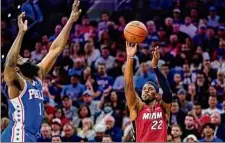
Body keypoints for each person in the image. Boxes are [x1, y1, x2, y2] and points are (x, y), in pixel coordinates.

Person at [1, 0, 82, 142]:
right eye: (21, 58)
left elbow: (55, 49)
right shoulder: (16, 83)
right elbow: (10, 63)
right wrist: (20, 33)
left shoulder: (37, 74)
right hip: (17, 136)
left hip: (31, 136)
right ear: (18, 68)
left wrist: (70, 21)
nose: (26, 58)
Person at [124, 42, 172, 142]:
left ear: (157, 94)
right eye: (144, 89)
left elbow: (167, 91)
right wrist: (129, 58)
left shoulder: (163, 107)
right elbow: (128, 86)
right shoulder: (137, 107)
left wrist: (155, 67)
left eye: (150, 89)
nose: (146, 91)